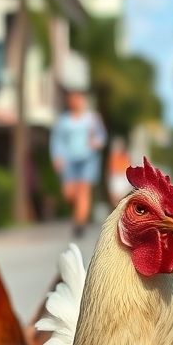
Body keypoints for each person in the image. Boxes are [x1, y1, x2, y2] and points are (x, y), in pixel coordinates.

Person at [50, 89, 107, 236]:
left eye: (78, 98)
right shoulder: (63, 121)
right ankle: (79, 213)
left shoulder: (92, 118)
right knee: (68, 193)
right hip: (69, 160)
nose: (75, 101)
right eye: (72, 99)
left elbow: (101, 137)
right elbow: (57, 141)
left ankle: (79, 222)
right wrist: (57, 157)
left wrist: (97, 142)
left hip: (88, 159)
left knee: (84, 190)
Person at [105, 137, 132, 205]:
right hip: (116, 177)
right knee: (116, 198)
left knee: (121, 197)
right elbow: (111, 170)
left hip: (122, 178)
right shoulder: (113, 157)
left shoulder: (125, 156)